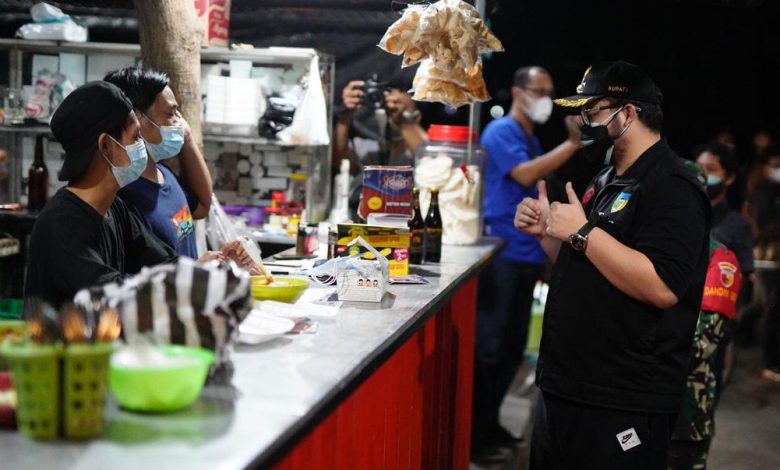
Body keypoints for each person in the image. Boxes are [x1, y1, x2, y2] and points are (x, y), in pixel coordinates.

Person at [515, 61, 710, 469]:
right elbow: (587, 264)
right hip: (569, 387)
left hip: (622, 397)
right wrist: (548, 235)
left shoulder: (672, 187)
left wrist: (582, 231)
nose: (585, 120)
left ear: (629, 112)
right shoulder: (605, 178)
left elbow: (662, 285)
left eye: (594, 110)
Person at [471, 65, 581, 458]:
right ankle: (474, 438)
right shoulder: (502, 132)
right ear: (518, 92)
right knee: (489, 350)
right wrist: (571, 145)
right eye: (540, 91)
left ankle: (489, 425)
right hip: (500, 254)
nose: (546, 100)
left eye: (550, 91)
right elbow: (523, 176)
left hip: (525, 255)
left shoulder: (529, 137)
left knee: (512, 350)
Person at [24, 81, 180, 309]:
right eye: (136, 137)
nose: (142, 147)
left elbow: (164, 261)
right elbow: (110, 294)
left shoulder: (114, 208)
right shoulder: (62, 224)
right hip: (58, 345)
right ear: (106, 145)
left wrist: (205, 269)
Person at [104, 67, 211, 259]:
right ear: (136, 119)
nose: (180, 122)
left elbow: (202, 206)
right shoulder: (123, 198)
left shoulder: (164, 175)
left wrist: (187, 138)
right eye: (170, 114)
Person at [333, 77, 428, 218]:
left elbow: (431, 163)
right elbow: (341, 161)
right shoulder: (371, 150)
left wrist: (403, 121)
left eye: (405, 110)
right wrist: (345, 117)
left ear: (417, 118)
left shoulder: (419, 149)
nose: (391, 114)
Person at [744, 147, 780, 381]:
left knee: (763, 306)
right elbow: (759, 225)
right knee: (770, 307)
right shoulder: (762, 191)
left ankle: (739, 332)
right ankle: (771, 362)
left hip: (774, 257)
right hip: (766, 258)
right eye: (775, 165)